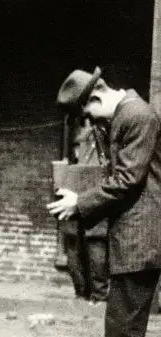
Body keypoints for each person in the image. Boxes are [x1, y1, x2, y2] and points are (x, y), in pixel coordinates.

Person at [48, 66, 161, 337]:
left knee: (125, 325)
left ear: (96, 98)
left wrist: (79, 204)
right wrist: (80, 195)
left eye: (87, 113)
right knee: (120, 323)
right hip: (133, 234)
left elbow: (127, 179)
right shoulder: (127, 115)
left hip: (142, 236)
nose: (89, 121)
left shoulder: (137, 115)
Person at [63, 117, 109, 304]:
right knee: (95, 242)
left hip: (71, 188)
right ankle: (98, 295)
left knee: (75, 244)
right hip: (95, 191)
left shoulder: (74, 133)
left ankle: (81, 293)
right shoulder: (101, 134)